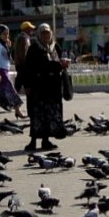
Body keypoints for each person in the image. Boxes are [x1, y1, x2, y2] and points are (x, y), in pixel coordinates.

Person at [18, 22, 68, 152]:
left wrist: (62, 65)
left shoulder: (55, 47)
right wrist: (27, 85)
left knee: (49, 115)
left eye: (48, 33)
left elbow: (58, 62)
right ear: (39, 35)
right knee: (37, 115)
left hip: (53, 88)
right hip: (38, 87)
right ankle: (33, 141)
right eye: (43, 33)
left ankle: (46, 140)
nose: (46, 35)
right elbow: (28, 68)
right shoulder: (34, 48)